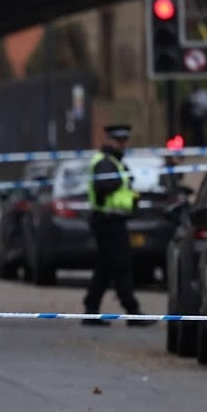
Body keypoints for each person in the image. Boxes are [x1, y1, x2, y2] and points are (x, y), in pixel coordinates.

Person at [81, 125, 156, 327]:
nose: (122, 145)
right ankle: (132, 311)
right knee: (121, 266)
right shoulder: (105, 163)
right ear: (108, 140)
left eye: (124, 141)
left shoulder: (113, 161)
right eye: (118, 141)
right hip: (108, 221)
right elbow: (103, 188)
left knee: (105, 268)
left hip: (113, 220)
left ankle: (91, 309)